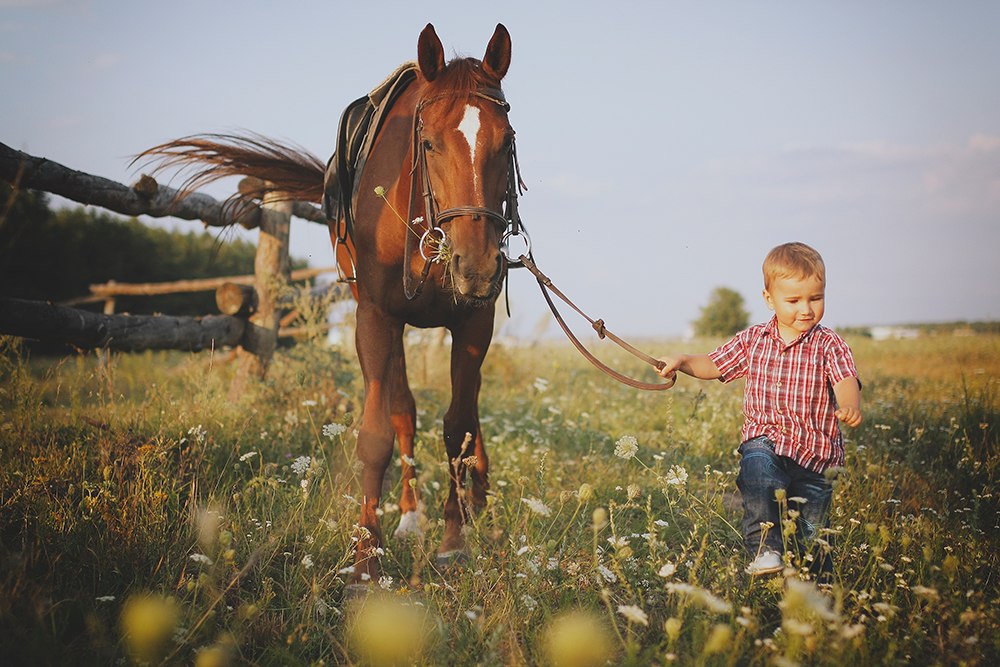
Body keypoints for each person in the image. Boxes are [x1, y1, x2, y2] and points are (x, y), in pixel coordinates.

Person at [656, 242, 862, 577]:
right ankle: (766, 550)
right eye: (793, 301)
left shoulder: (829, 343)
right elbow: (714, 363)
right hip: (765, 441)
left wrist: (850, 404)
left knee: (812, 535)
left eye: (816, 298)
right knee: (757, 472)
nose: (806, 309)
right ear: (769, 299)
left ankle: (819, 585)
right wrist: (681, 361)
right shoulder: (754, 340)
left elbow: (845, 379)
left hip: (816, 456)